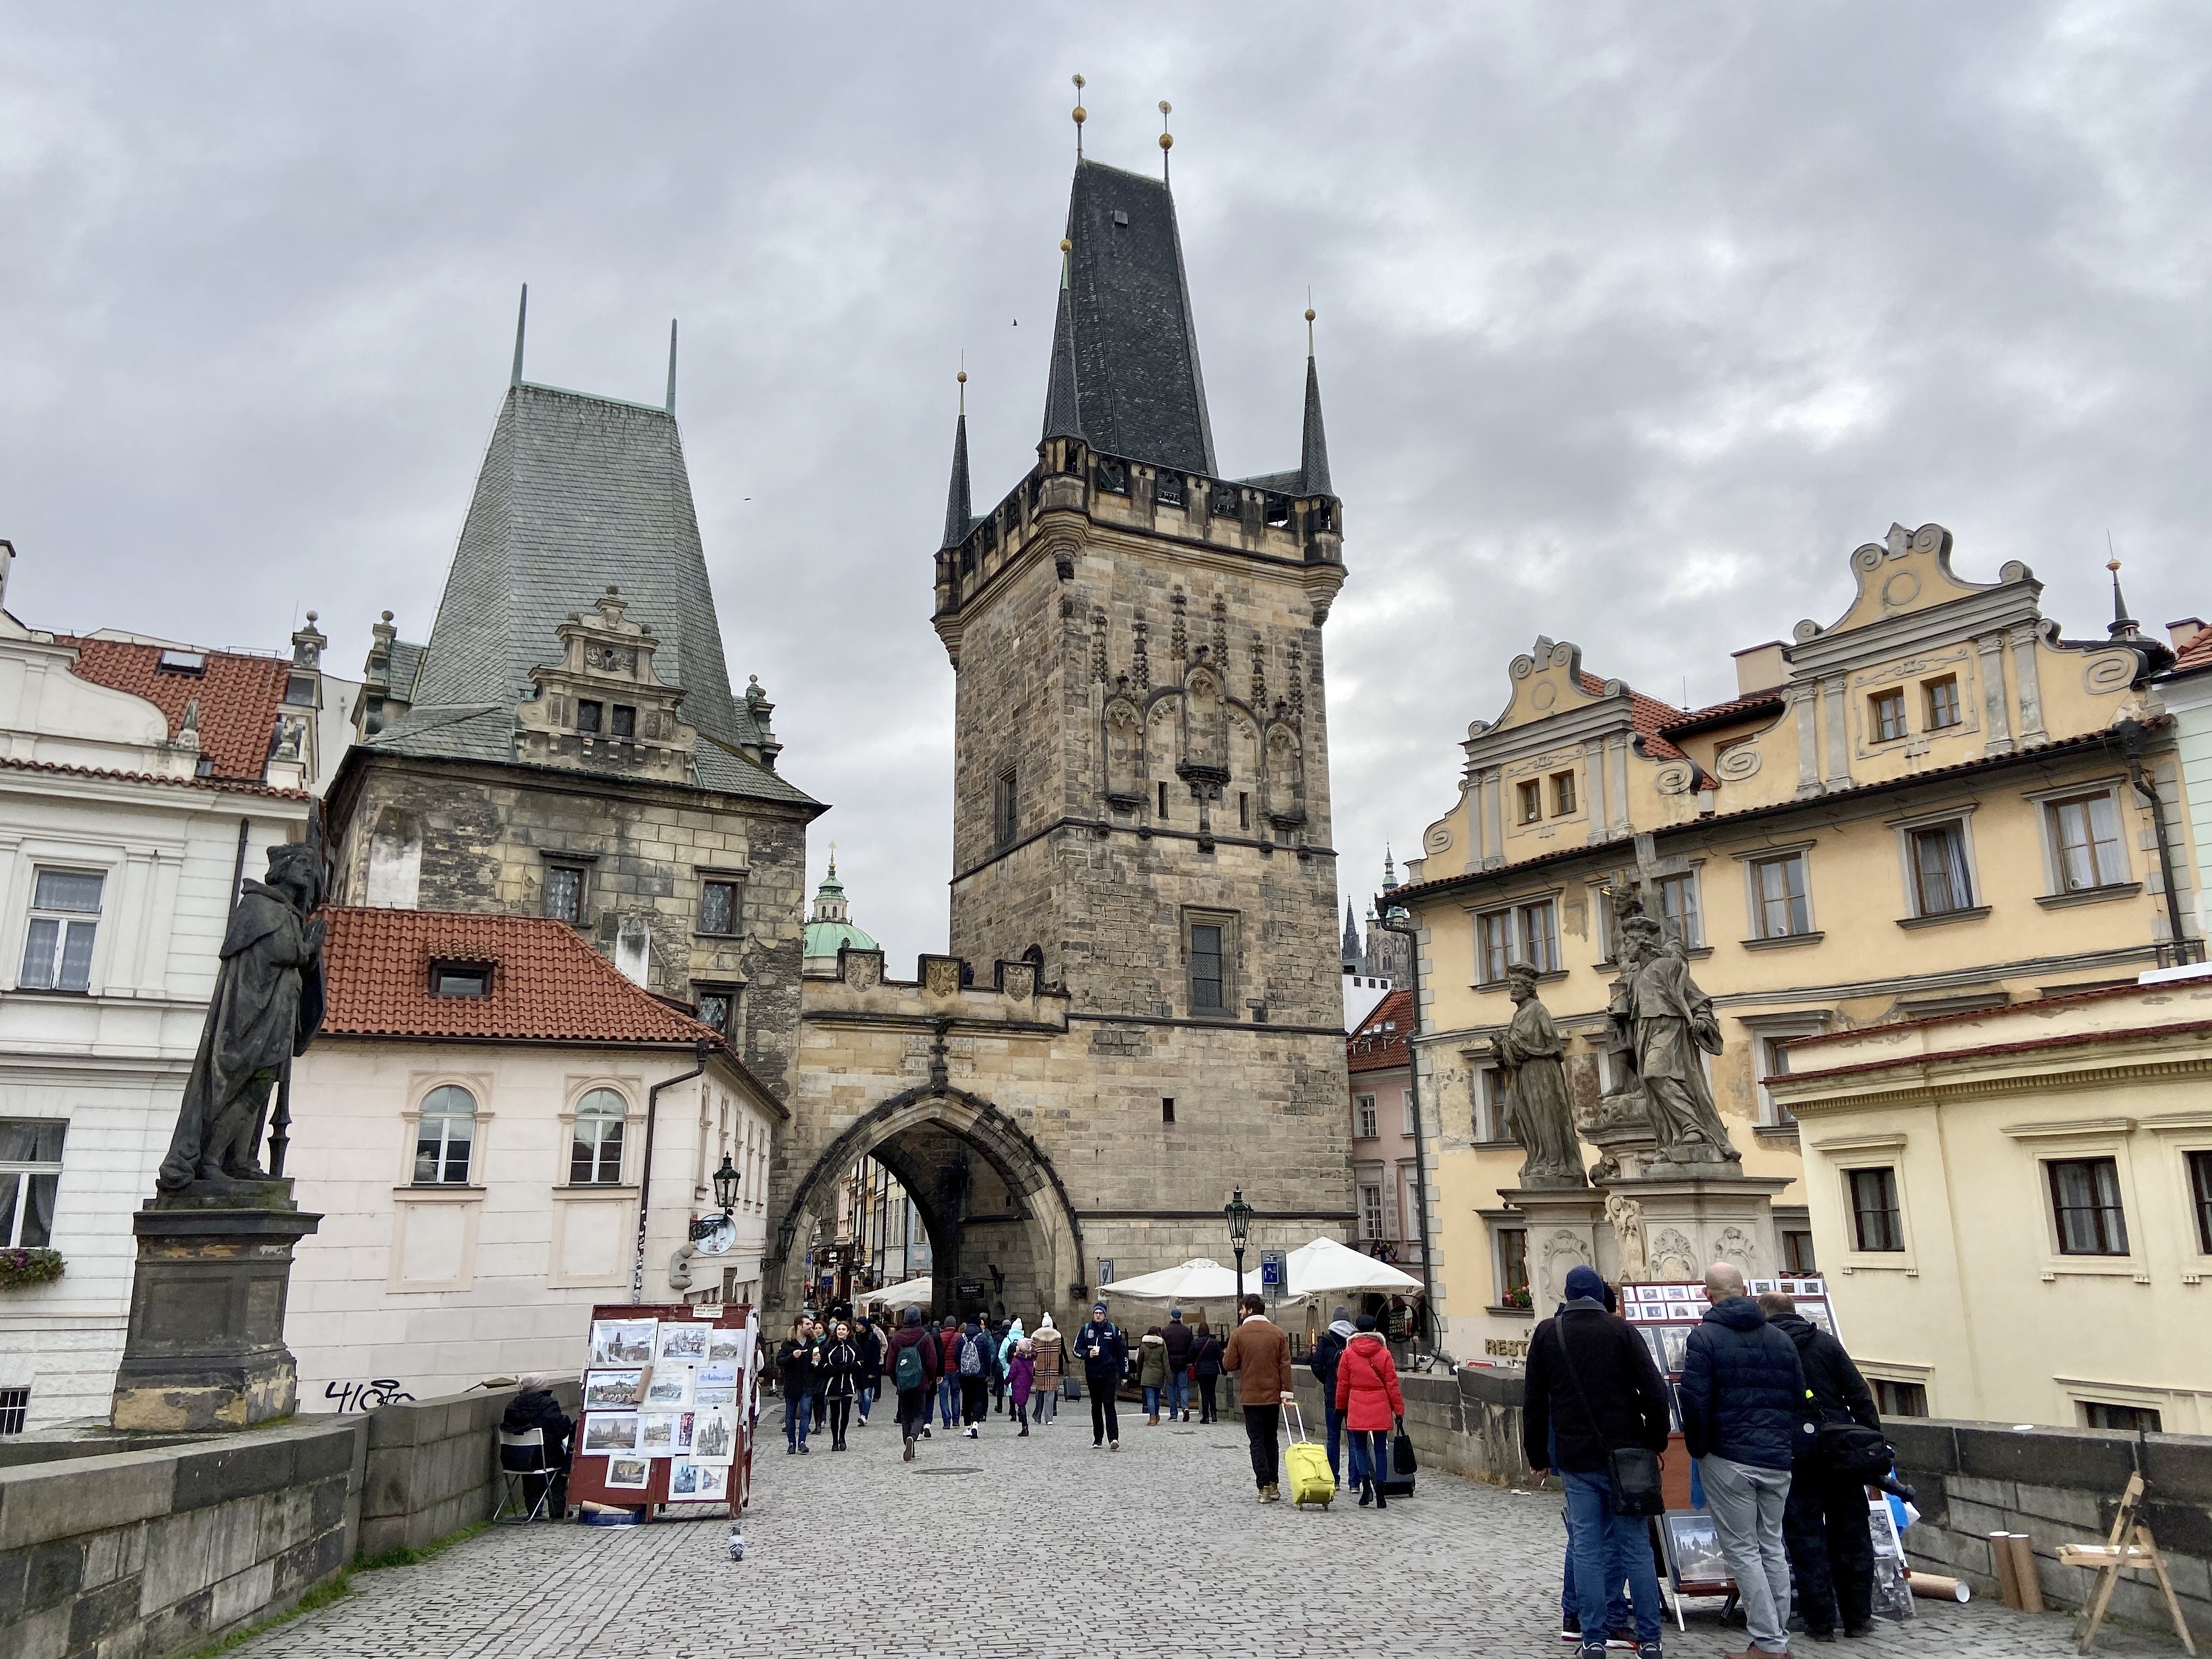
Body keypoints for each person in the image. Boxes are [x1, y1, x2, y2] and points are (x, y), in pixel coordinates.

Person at [1523, 1266, 1671, 1659]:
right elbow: (1656, 1393)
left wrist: (1537, 1455)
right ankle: (1651, 1639)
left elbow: (1535, 1404)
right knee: (1635, 1546)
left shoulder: (1547, 1334)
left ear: (1568, 1293)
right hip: (1627, 1455)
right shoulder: (1622, 1331)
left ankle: (1592, 1637)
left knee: (1586, 1544)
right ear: (1600, 1293)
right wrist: (1655, 1441)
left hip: (1577, 1456)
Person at [1679, 1263, 1804, 1659]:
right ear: (1746, 1289)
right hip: (1776, 1457)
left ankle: (1769, 1643)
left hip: (1728, 1455)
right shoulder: (1780, 1339)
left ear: (1707, 1294)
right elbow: (1798, 1397)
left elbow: (1695, 1402)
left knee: (1743, 1550)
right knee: (1771, 1546)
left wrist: (1700, 1450)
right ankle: (1775, 1638)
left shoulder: (1704, 1339)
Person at [1760, 1290, 1881, 1642]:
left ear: (1766, 1316)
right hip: (1841, 1453)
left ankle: (1820, 1623)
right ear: (1796, 1313)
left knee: (1805, 1537)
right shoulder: (1826, 1344)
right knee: (1852, 1534)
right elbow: (1859, 1394)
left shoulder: (1768, 1349)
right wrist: (1870, 1445)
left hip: (1796, 1454)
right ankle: (1858, 1618)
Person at [1222, 1292, 1295, 1502]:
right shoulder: (1277, 1333)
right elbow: (1285, 1365)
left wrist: (1229, 1353)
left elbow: (1229, 1365)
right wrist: (1286, 1392)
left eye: (1242, 1308)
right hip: (1273, 1396)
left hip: (1251, 1397)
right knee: (1271, 1439)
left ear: (1250, 1310)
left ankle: (1263, 1485)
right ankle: (1274, 1483)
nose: (1240, 1312)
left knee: (1256, 1442)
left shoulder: (1239, 1334)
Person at [1334, 1313, 1407, 1509]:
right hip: (1380, 1403)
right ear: (1375, 1330)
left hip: (1357, 1403)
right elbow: (1392, 1385)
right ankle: (1381, 1492)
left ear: (1357, 1330)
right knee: (1380, 1449)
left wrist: (1340, 1408)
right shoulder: (1384, 1354)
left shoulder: (1348, 1354)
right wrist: (1398, 1411)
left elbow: (1343, 1384)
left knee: (1359, 1448)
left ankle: (1365, 1486)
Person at [500, 1373, 572, 1519]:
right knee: (557, 1465)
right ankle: (557, 1508)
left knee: (532, 1469)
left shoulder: (512, 1405)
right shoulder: (548, 1404)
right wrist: (566, 1421)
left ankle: (533, 1510)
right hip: (545, 1458)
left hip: (516, 1459)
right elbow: (560, 1430)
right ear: (542, 1387)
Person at [887, 1305, 940, 1462]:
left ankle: (908, 1444)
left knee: (906, 1416)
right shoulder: (925, 1337)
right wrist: (929, 1379)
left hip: (903, 1382)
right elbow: (932, 1361)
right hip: (921, 1382)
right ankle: (913, 1437)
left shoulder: (897, 1338)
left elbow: (890, 1365)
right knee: (919, 1414)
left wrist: (896, 1381)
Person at [1310, 1305, 1355, 1482]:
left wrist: (1328, 1381)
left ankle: (1334, 1478)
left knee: (1333, 1437)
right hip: (1351, 1396)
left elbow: (1317, 1366)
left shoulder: (1326, 1341)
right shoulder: (1353, 1340)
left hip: (1332, 1396)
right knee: (1354, 1438)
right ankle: (1354, 1481)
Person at [1074, 1301, 1127, 1449]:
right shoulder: (1086, 1329)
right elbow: (1076, 1350)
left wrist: (1124, 1373)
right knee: (1096, 1406)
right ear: (1093, 1315)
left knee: (1109, 1404)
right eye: (1096, 1313)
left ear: (1105, 1315)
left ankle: (1113, 1438)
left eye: (1101, 1313)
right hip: (1092, 1374)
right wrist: (1087, 1354)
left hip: (1108, 1373)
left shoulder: (1113, 1330)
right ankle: (1098, 1438)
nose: (1098, 1315)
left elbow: (1122, 1352)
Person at [776, 1318, 819, 1454]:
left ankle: (802, 1442)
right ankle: (791, 1443)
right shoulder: (788, 1344)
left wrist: (816, 1361)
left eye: (811, 1325)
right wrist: (792, 1357)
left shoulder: (812, 1344)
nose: (811, 1327)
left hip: (807, 1385)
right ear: (799, 1326)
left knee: (806, 1413)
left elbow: (815, 1368)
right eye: (808, 1325)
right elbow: (779, 1361)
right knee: (790, 1415)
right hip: (792, 1385)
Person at [820, 1319, 863, 1451]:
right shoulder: (829, 1346)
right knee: (835, 1414)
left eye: (844, 1330)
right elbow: (823, 1364)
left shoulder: (854, 1346)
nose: (841, 1332)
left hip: (848, 1384)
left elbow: (861, 1363)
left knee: (845, 1413)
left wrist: (848, 1368)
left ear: (848, 1332)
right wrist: (835, 1369)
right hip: (833, 1384)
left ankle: (842, 1438)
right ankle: (834, 1441)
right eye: (839, 1329)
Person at [956, 1315, 992, 1437]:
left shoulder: (961, 1338)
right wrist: (988, 1372)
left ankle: (967, 1427)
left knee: (967, 1398)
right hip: (979, 1374)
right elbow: (987, 1358)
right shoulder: (983, 1338)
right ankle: (975, 1423)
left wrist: (961, 1367)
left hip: (964, 1375)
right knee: (978, 1399)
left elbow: (956, 1356)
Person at [1161, 1308, 1197, 1423]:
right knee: (1183, 1387)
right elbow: (1192, 1347)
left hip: (1170, 1362)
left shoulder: (1165, 1331)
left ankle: (1173, 1413)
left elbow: (1164, 1349)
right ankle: (1185, 1407)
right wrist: (1189, 1359)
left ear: (1171, 1317)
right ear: (1181, 1317)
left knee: (1171, 1388)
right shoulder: (1187, 1331)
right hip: (1183, 1362)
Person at [1030, 1312, 1063, 1426]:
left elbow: (1033, 1352)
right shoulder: (1058, 1337)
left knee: (1040, 1392)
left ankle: (1038, 1416)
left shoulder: (1036, 1337)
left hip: (1041, 1367)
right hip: (1053, 1367)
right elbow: (1059, 1352)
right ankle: (1049, 1419)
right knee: (1050, 1394)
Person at [854, 1313, 884, 1428]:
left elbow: (876, 1356)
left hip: (869, 1370)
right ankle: (863, 1415)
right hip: (859, 1370)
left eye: (859, 1325)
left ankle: (864, 1416)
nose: (857, 1326)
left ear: (865, 1326)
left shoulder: (873, 1338)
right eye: (856, 1324)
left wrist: (873, 1372)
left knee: (867, 1395)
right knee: (860, 1396)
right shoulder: (857, 1337)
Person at [1192, 1319, 1223, 1424]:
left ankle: (1206, 1416)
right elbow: (1220, 1357)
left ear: (1199, 1331)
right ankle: (1214, 1414)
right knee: (1212, 1392)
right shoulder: (1214, 1342)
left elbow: (1191, 1357)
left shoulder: (1195, 1343)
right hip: (1213, 1370)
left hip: (1201, 1371)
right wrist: (1223, 1370)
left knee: (1204, 1393)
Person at [1138, 1326, 1170, 1425]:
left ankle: (1152, 1418)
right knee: (1156, 1397)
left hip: (1147, 1373)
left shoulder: (1143, 1345)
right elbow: (1166, 1362)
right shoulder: (1161, 1345)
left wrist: (1140, 1374)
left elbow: (1140, 1361)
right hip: (1158, 1374)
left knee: (1150, 1397)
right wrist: (1169, 1375)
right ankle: (1156, 1415)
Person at [936, 1316, 963, 1432]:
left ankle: (946, 1421)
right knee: (956, 1395)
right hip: (956, 1370)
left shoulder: (940, 1337)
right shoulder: (959, 1337)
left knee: (943, 1396)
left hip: (943, 1371)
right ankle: (956, 1420)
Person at [1009, 1336, 1037, 1437]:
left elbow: (1012, 1373)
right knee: (1022, 1404)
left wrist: (1006, 1381)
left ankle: (1025, 1427)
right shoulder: (1030, 1359)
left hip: (1018, 1385)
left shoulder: (1017, 1360)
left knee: (1021, 1405)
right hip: (1026, 1384)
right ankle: (1023, 1423)